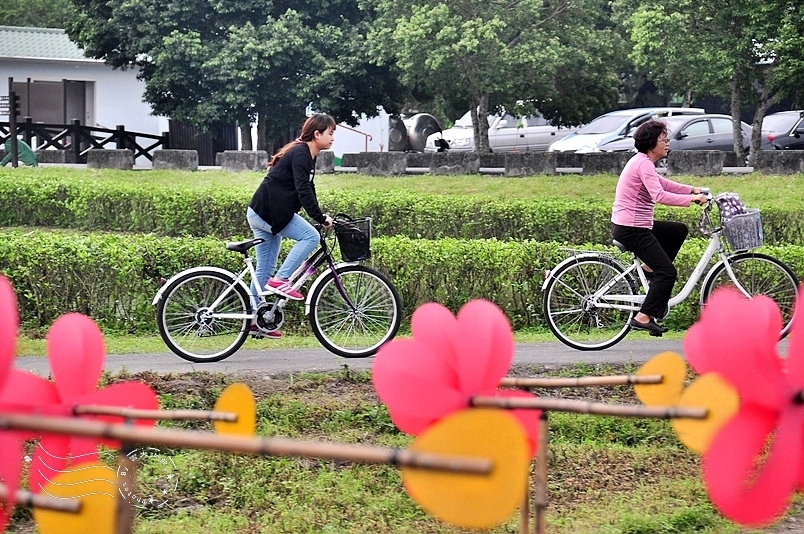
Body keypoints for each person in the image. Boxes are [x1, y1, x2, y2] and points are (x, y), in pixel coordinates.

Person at [611, 119, 707, 337]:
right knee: (668, 273)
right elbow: (660, 195)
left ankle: (648, 270)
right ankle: (643, 317)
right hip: (632, 229)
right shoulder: (642, 163)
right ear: (651, 142)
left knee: (678, 230)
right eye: (663, 140)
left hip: (635, 225)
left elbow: (663, 184)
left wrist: (692, 189)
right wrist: (692, 200)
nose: (667, 143)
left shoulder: (643, 162)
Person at [247, 113, 335, 338]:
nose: (333, 137)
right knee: (310, 237)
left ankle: (255, 320)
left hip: (263, 212)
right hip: (269, 213)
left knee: (263, 270)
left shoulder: (305, 153)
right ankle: (282, 280)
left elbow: (307, 187)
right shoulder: (301, 154)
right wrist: (318, 218)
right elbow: (302, 190)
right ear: (317, 134)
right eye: (330, 133)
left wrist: (320, 214)